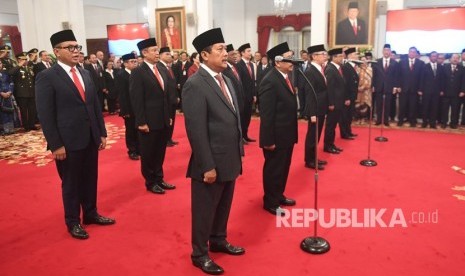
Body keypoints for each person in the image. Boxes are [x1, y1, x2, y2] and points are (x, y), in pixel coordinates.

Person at [35, 30, 115, 240]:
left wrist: (101, 132)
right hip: (67, 141)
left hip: (90, 136)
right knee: (71, 183)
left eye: (77, 47)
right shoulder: (47, 77)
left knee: (90, 178)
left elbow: (94, 104)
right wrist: (56, 144)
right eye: (70, 47)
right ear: (56, 51)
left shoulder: (84, 72)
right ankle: (73, 221)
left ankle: (90, 213)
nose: (76, 51)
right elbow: (46, 115)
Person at [183, 28, 245, 275]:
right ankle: (199, 253)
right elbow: (196, 130)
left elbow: (233, 118)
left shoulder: (227, 79)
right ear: (204, 55)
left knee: (224, 206)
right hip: (210, 162)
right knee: (204, 210)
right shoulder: (195, 84)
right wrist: (206, 165)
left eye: (225, 48)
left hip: (229, 157)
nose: (225, 53)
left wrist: (239, 150)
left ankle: (218, 240)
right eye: (220, 49)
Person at [129, 38, 176, 195]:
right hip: (148, 121)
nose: (157, 53)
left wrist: (168, 116)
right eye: (154, 50)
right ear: (144, 53)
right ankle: (150, 182)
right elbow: (137, 100)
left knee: (160, 151)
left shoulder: (162, 69)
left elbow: (165, 96)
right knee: (148, 153)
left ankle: (159, 178)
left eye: (157, 50)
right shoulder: (138, 72)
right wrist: (141, 122)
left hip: (162, 119)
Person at [259, 42, 298, 216]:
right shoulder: (270, 80)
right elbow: (267, 115)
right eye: (289, 58)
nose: (292, 61)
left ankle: (278, 195)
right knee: (274, 169)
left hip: (287, 134)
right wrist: (268, 140)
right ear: (277, 61)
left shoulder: (285, 77)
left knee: (284, 167)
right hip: (275, 136)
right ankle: (270, 202)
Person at [304, 44, 329, 170]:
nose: (325, 56)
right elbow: (309, 94)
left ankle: (314, 157)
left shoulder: (320, 68)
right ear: (314, 56)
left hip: (321, 107)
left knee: (317, 135)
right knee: (312, 135)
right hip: (315, 109)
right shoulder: (310, 71)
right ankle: (309, 160)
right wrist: (312, 113)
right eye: (322, 54)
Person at [115, 53, 140, 160]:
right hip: (128, 108)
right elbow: (121, 94)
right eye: (132, 62)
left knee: (139, 129)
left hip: (138, 107)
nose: (135, 63)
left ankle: (139, 149)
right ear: (125, 64)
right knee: (130, 130)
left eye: (135, 61)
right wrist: (124, 110)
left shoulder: (138, 73)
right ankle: (132, 150)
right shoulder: (121, 75)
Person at [323, 48, 346, 154]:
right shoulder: (330, 69)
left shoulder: (338, 68)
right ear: (334, 57)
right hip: (334, 103)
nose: (342, 57)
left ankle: (331, 144)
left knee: (333, 125)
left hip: (339, 102)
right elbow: (329, 88)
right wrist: (331, 103)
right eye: (340, 56)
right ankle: (328, 146)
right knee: (330, 125)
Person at [372, 44, 400, 126]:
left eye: (388, 50)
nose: (386, 52)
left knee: (387, 104)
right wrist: (373, 86)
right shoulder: (377, 62)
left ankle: (386, 120)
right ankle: (379, 120)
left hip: (389, 87)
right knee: (379, 104)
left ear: (390, 52)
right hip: (378, 86)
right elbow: (374, 75)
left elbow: (396, 76)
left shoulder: (395, 63)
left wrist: (395, 86)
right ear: (382, 51)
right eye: (385, 50)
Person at [9, 52, 38, 131]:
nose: (25, 61)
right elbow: (10, 73)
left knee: (32, 109)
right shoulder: (16, 68)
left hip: (31, 92)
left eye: (26, 59)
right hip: (22, 93)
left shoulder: (28, 68)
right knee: (24, 110)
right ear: (19, 60)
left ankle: (32, 124)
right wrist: (19, 65)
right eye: (23, 59)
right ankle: (26, 126)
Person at [157, 47, 179, 147]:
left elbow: (172, 84)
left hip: (172, 99)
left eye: (169, 54)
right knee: (167, 120)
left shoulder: (168, 67)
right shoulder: (159, 67)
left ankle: (169, 138)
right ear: (160, 55)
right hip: (167, 100)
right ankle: (165, 139)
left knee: (172, 120)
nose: (169, 56)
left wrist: (176, 96)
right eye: (167, 54)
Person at [398, 46, 425, 127]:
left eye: (414, 52)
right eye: (411, 52)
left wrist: (420, 89)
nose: (412, 53)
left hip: (415, 89)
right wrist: (398, 86)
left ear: (416, 54)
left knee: (413, 106)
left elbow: (422, 78)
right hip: (403, 88)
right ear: (408, 53)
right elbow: (398, 76)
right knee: (402, 105)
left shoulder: (421, 63)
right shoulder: (401, 62)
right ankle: (400, 120)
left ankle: (412, 121)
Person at [236, 43, 256, 143]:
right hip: (242, 96)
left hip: (250, 96)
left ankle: (245, 135)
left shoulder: (251, 65)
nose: (250, 53)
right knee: (242, 117)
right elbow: (239, 82)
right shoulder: (238, 65)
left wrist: (254, 94)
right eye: (248, 51)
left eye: (250, 51)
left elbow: (253, 81)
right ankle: (241, 137)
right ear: (242, 53)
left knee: (248, 117)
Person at [419, 51, 444, 129]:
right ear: (430, 57)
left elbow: (442, 80)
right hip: (426, 90)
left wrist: (442, 90)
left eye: (435, 56)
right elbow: (421, 79)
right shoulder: (424, 66)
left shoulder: (441, 67)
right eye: (432, 56)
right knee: (425, 107)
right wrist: (420, 89)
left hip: (436, 91)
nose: (434, 57)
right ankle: (424, 122)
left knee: (434, 107)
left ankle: (432, 123)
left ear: (437, 57)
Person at [441, 53, 465, 129]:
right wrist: (441, 90)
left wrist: (463, 91)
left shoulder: (462, 68)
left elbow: (463, 81)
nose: (455, 59)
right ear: (450, 59)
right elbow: (441, 80)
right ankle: (444, 123)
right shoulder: (445, 67)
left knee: (455, 109)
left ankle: (453, 123)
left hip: (457, 93)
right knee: (444, 109)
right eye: (454, 57)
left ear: (459, 59)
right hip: (445, 92)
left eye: (457, 58)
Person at [340, 47, 359, 139]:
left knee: (350, 115)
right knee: (345, 116)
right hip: (347, 97)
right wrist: (346, 97)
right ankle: (344, 133)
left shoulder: (353, 66)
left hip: (352, 96)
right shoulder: (346, 67)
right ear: (350, 56)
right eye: (355, 54)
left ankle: (349, 131)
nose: (357, 56)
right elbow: (344, 84)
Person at [0, 60, 16, 135]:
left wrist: (10, 91)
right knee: (2, 113)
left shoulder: (5, 73)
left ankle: (10, 129)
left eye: (0, 63)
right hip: (1, 96)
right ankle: (3, 129)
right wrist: (1, 93)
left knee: (9, 111)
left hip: (8, 95)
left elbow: (11, 82)